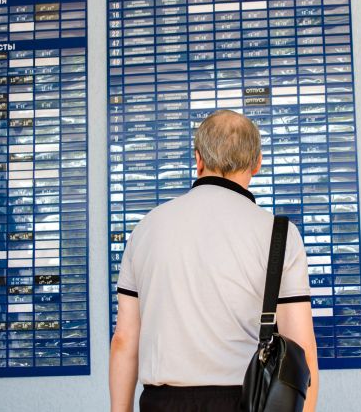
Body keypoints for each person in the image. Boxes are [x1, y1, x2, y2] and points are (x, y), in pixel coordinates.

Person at [109, 109, 319, 412]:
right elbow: (301, 350)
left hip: (161, 402)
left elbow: (124, 340)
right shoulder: (280, 234)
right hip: (246, 400)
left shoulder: (146, 228)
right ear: (257, 163)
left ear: (198, 159)